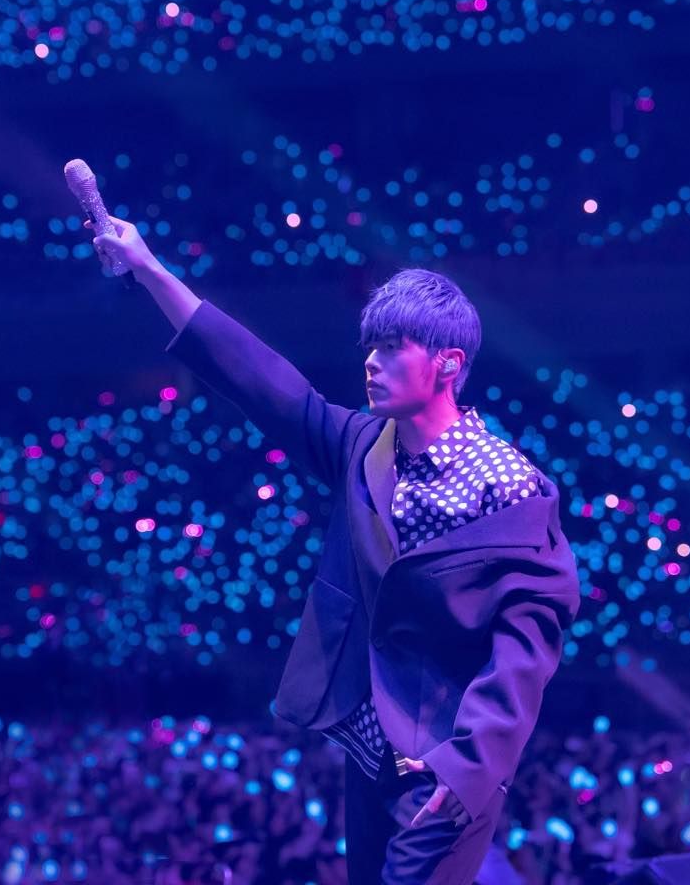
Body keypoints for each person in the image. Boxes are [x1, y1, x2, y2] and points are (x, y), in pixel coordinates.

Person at [87, 216, 580, 883]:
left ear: (448, 363)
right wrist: (149, 268)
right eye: (369, 346)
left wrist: (468, 769)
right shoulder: (364, 448)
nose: (371, 361)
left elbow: (526, 647)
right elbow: (262, 381)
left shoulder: (509, 485)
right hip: (370, 751)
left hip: (446, 765)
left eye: (392, 347)